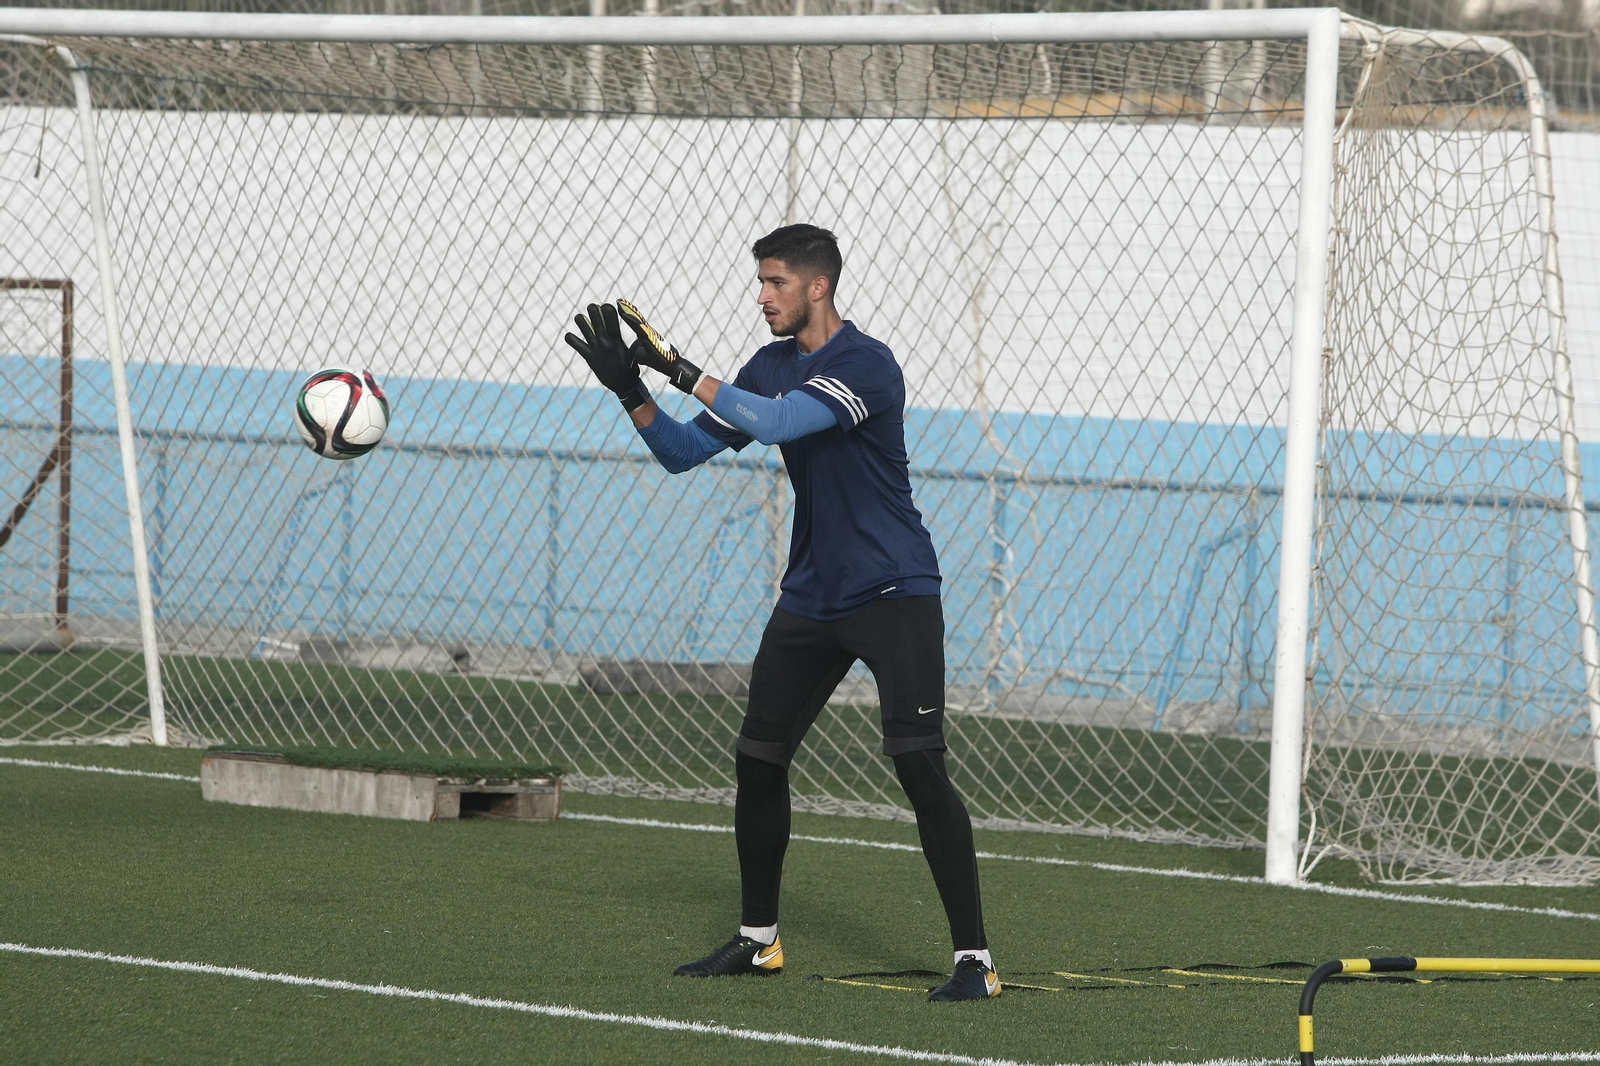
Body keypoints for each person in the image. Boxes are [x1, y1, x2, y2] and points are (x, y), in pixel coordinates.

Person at [563, 223, 998, 1002]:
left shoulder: (865, 364)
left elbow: (783, 423)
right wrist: (630, 389)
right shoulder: (766, 365)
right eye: (760, 283)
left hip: (896, 591)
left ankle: (975, 962)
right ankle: (758, 941)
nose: (762, 297)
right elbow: (683, 453)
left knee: (917, 764)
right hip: (811, 597)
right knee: (758, 758)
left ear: (818, 287)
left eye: (776, 283)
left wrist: (679, 369)